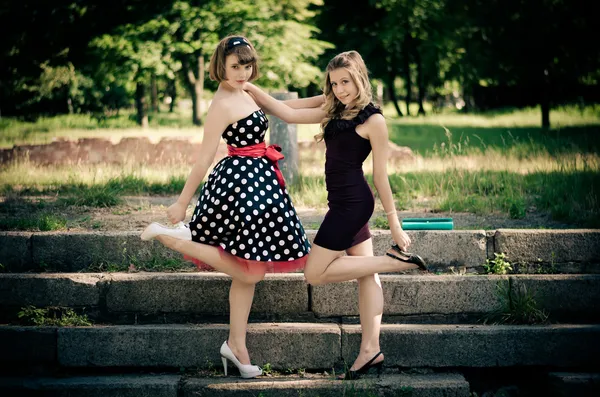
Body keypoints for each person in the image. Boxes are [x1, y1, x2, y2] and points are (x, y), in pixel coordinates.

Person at [140, 35, 321, 379]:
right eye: (235, 66)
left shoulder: (247, 90)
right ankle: (174, 238)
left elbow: (292, 109)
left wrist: (338, 95)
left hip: (260, 185)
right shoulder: (222, 103)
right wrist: (182, 202)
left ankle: (236, 346)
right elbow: (204, 157)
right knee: (250, 270)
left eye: (247, 65)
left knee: (248, 270)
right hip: (239, 188)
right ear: (220, 65)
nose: (242, 72)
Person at [243, 50, 427, 380]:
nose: (340, 89)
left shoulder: (374, 121)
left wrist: (395, 224)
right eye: (334, 83)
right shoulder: (333, 106)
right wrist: (250, 88)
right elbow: (286, 111)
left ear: (359, 78)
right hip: (340, 202)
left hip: (353, 206)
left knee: (315, 273)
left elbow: (381, 177)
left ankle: (397, 262)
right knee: (365, 275)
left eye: (346, 82)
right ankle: (371, 350)